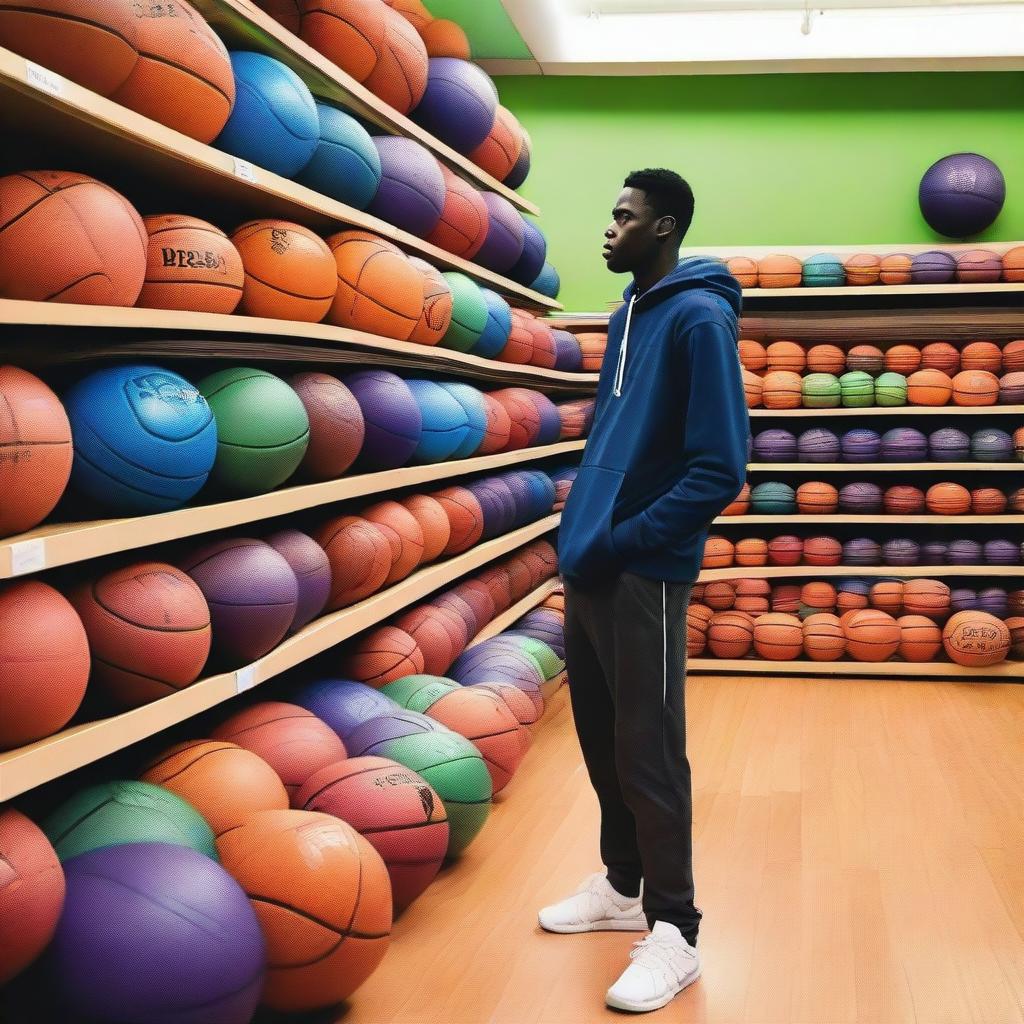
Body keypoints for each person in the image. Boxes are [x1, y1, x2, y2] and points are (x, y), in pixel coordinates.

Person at [537, 169, 750, 1014]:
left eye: (624, 217)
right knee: (599, 741)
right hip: (590, 562)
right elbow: (612, 441)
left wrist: (624, 541)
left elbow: (719, 468)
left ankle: (676, 929)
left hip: (644, 573)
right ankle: (623, 885)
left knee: (650, 752)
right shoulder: (627, 312)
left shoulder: (699, 318)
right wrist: (581, 532)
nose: (610, 227)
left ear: (664, 228)